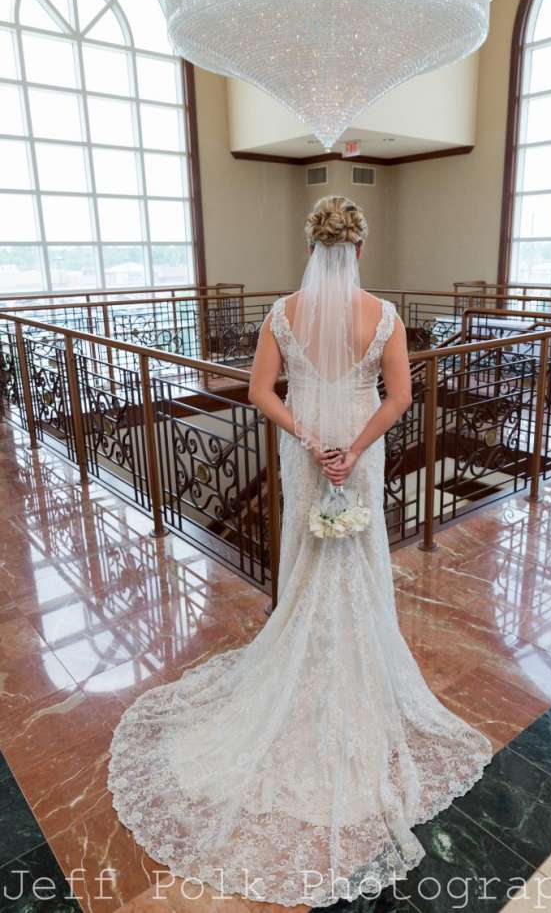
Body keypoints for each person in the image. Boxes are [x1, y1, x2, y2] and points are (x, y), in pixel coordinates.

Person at [107, 196, 492, 908]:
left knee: (306, 551)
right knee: (357, 553)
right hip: (360, 443)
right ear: (361, 248)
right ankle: (358, 654)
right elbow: (400, 398)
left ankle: (305, 646)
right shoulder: (386, 315)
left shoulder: (283, 313)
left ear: (312, 247)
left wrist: (311, 439)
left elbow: (260, 393)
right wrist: (353, 443)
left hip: (309, 442)